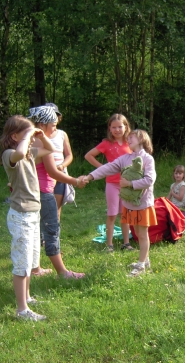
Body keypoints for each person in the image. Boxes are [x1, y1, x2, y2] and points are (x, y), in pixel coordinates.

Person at [80, 129, 157, 277]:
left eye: (132, 137)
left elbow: (149, 180)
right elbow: (107, 168)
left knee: (142, 234)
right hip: (130, 204)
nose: (128, 140)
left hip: (142, 204)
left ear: (142, 139)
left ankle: (141, 265)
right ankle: (145, 260)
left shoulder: (148, 159)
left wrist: (129, 184)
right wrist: (90, 176)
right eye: (128, 138)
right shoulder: (125, 158)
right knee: (138, 233)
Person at [0, 115, 54, 321]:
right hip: (21, 215)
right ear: (15, 136)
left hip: (32, 213)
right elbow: (19, 153)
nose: (31, 139)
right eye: (27, 135)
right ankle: (22, 310)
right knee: (22, 263)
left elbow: (50, 149)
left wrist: (40, 135)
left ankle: (27, 297)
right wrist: (29, 134)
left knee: (30, 260)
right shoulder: (10, 154)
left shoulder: (30, 154)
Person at [29, 106, 85, 279]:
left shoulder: (29, 139)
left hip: (33, 191)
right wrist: (75, 181)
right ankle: (63, 272)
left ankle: (35, 268)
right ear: (42, 125)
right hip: (44, 192)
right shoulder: (41, 142)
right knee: (51, 230)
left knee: (35, 230)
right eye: (53, 125)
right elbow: (52, 172)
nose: (55, 128)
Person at [84, 114, 133, 252]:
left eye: (120, 127)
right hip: (112, 184)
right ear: (109, 129)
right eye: (114, 127)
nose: (117, 130)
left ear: (126, 127)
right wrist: (103, 168)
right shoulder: (106, 143)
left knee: (125, 214)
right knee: (112, 214)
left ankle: (126, 243)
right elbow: (88, 155)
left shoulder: (131, 142)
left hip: (127, 184)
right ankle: (109, 245)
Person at [44, 103, 74, 221]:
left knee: (56, 209)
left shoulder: (62, 134)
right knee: (43, 208)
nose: (53, 118)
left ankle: (56, 231)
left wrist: (62, 166)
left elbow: (69, 155)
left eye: (55, 115)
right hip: (43, 175)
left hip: (59, 175)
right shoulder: (40, 135)